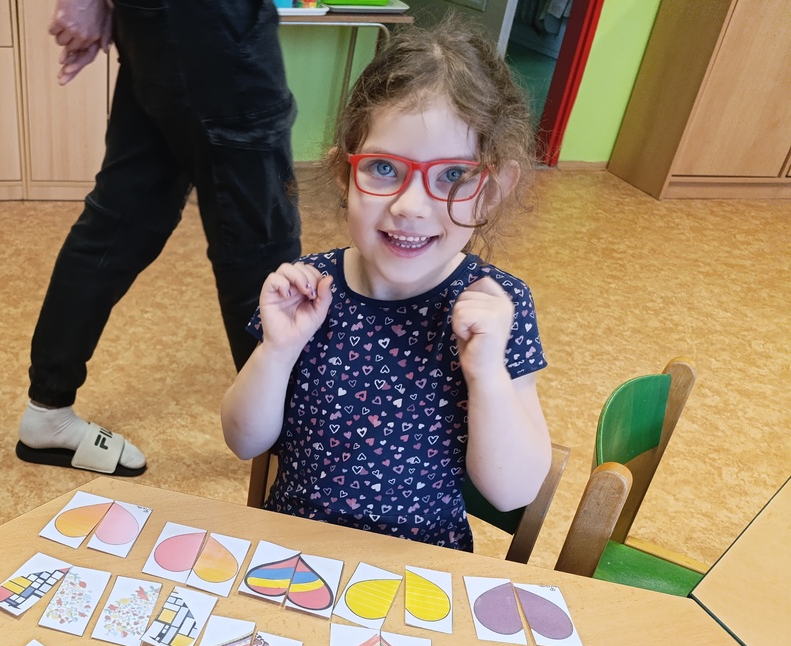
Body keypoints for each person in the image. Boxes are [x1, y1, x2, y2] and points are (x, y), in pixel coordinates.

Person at [221, 20, 552, 550]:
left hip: (418, 570)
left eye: (452, 176)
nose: (410, 206)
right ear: (343, 173)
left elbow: (514, 490)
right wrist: (277, 352)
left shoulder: (497, 307)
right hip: (293, 553)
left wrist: (487, 374)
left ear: (491, 190)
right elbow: (242, 442)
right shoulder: (308, 289)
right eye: (382, 167)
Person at [16, 0, 303, 476]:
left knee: (123, 219)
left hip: (172, 20)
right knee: (261, 243)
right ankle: (302, 445)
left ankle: (48, 410)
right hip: (210, 19)